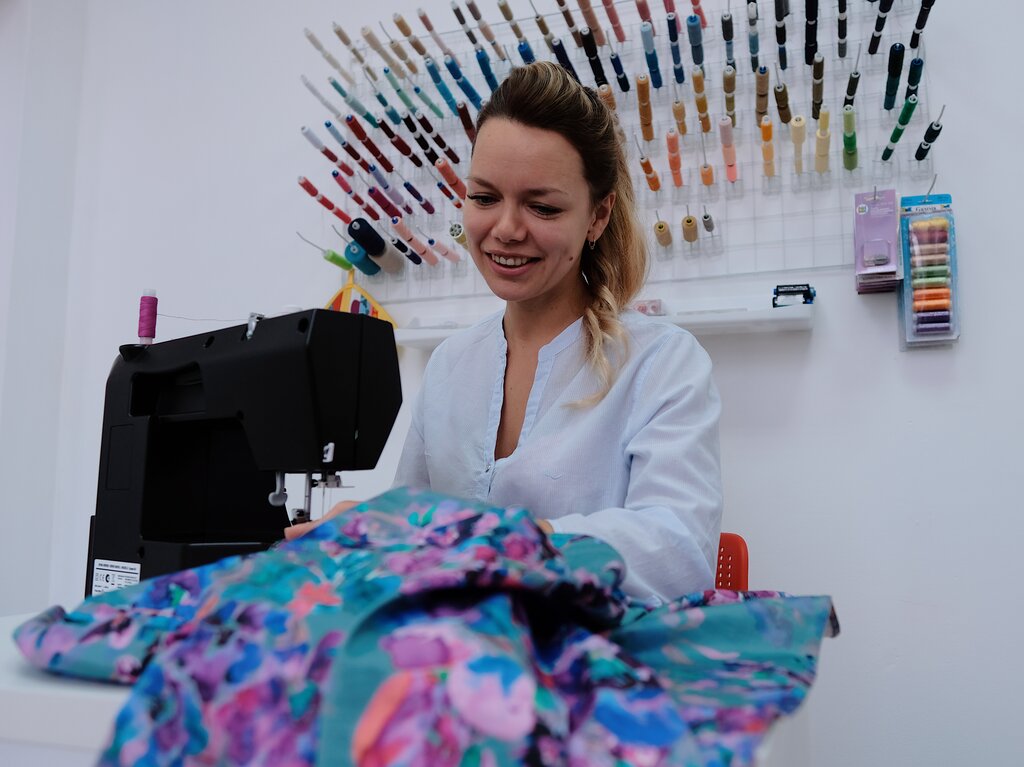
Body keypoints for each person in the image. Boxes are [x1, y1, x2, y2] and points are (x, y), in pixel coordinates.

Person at [294, 61, 723, 603]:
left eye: (542, 207)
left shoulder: (661, 363)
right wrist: (372, 533)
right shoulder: (450, 364)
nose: (506, 229)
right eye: (484, 197)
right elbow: (411, 536)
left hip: (595, 649)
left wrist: (485, 540)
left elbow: (678, 554)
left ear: (597, 216)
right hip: (461, 647)